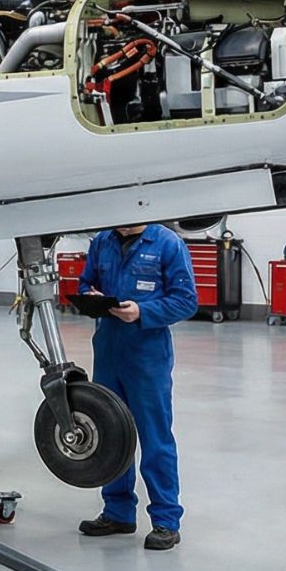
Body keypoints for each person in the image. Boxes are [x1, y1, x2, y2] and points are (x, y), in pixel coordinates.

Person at [74, 221, 199, 550]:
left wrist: (143, 311)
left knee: (155, 438)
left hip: (147, 354)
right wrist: (91, 296)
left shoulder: (167, 243)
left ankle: (166, 520)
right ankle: (118, 512)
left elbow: (186, 300)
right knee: (111, 434)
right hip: (108, 349)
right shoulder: (102, 240)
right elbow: (86, 282)